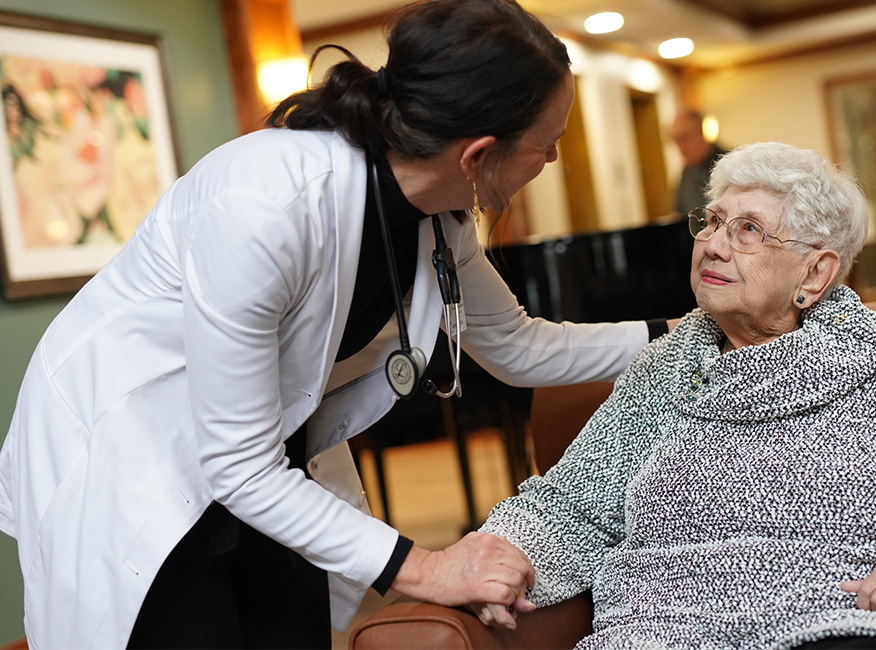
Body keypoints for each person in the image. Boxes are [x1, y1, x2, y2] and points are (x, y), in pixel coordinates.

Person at [0, 1, 672, 647]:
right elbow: (236, 463)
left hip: (262, 456)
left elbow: (519, 346)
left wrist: (677, 332)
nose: (550, 161)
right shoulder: (265, 205)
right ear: (479, 153)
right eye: (547, 145)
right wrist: (431, 567)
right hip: (134, 456)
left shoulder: (438, 216)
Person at [479, 142, 876, 649]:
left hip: (846, 622)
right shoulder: (662, 373)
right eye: (711, 221)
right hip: (664, 630)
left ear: (815, 273)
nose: (714, 244)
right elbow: (570, 507)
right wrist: (488, 557)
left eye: (748, 229)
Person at [670, 108, 728, 216]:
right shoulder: (687, 171)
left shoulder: (729, 163)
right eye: (676, 140)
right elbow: (679, 212)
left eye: (684, 138)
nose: (680, 147)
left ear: (701, 132)